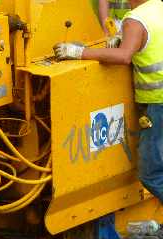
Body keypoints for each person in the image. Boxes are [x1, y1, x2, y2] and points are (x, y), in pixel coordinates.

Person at [54, 0, 163, 202]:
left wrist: (78, 52)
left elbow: (123, 57)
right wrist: (122, 37)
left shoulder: (135, 20)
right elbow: (149, 39)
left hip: (158, 104)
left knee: (152, 174)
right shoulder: (158, 6)